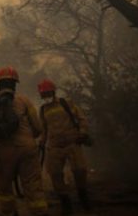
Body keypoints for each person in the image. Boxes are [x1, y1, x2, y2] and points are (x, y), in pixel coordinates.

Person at [0, 66, 48, 216]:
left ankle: (9, 213)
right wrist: (30, 138)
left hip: (3, 151)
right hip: (26, 148)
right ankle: (39, 212)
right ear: (15, 84)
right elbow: (38, 127)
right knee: (32, 185)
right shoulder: (24, 101)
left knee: (4, 188)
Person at [37, 79, 91, 214]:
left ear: (53, 92)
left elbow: (81, 118)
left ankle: (83, 197)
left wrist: (83, 132)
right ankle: (65, 202)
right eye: (43, 95)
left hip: (72, 142)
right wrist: (41, 143)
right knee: (55, 174)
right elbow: (44, 129)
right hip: (54, 147)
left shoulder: (66, 103)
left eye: (48, 93)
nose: (46, 97)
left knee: (80, 170)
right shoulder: (43, 110)